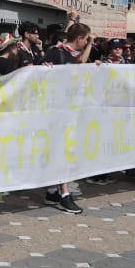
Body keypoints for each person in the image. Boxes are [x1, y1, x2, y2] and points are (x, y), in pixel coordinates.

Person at [42, 23, 92, 214]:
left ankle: (52, 190)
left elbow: (80, 66)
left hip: (70, 111)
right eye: (86, 39)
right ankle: (64, 194)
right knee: (63, 152)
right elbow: (37, 72)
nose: (88, 42)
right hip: (56, 112)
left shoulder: (72, 55)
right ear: (79, 38)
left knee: (63, 151)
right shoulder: (56, 52)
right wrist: (44, 67)